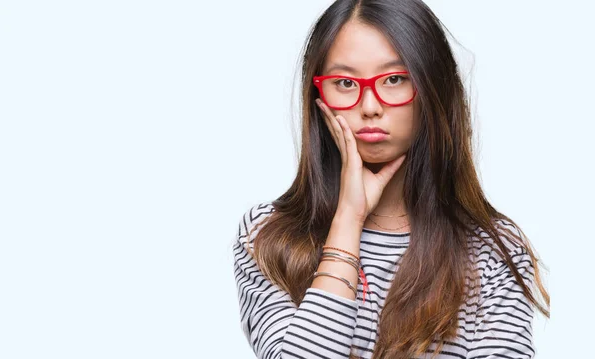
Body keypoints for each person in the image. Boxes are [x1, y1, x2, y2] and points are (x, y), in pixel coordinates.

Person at [231, 1, 550, 358]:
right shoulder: (269, 238)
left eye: (395, 79)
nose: (369, 106)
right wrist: (349, 220)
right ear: (319, 95)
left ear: (433, 88)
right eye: (345, 82)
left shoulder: (492, 252)